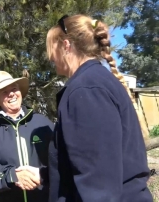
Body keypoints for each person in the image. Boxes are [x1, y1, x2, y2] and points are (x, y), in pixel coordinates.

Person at [46, 14, 153, 201]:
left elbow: (98, 188)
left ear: (66, 45)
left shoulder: (86, 90)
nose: (50, 57)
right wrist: (43, 174)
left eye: (51, 49)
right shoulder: (96, 81)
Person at [0, 71, 57, 202]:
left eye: (14, 88)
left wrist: (42, 175)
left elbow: (60, 159)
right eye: (4, 92)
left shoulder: (42, 122)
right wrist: (12, 175)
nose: (11, 94)